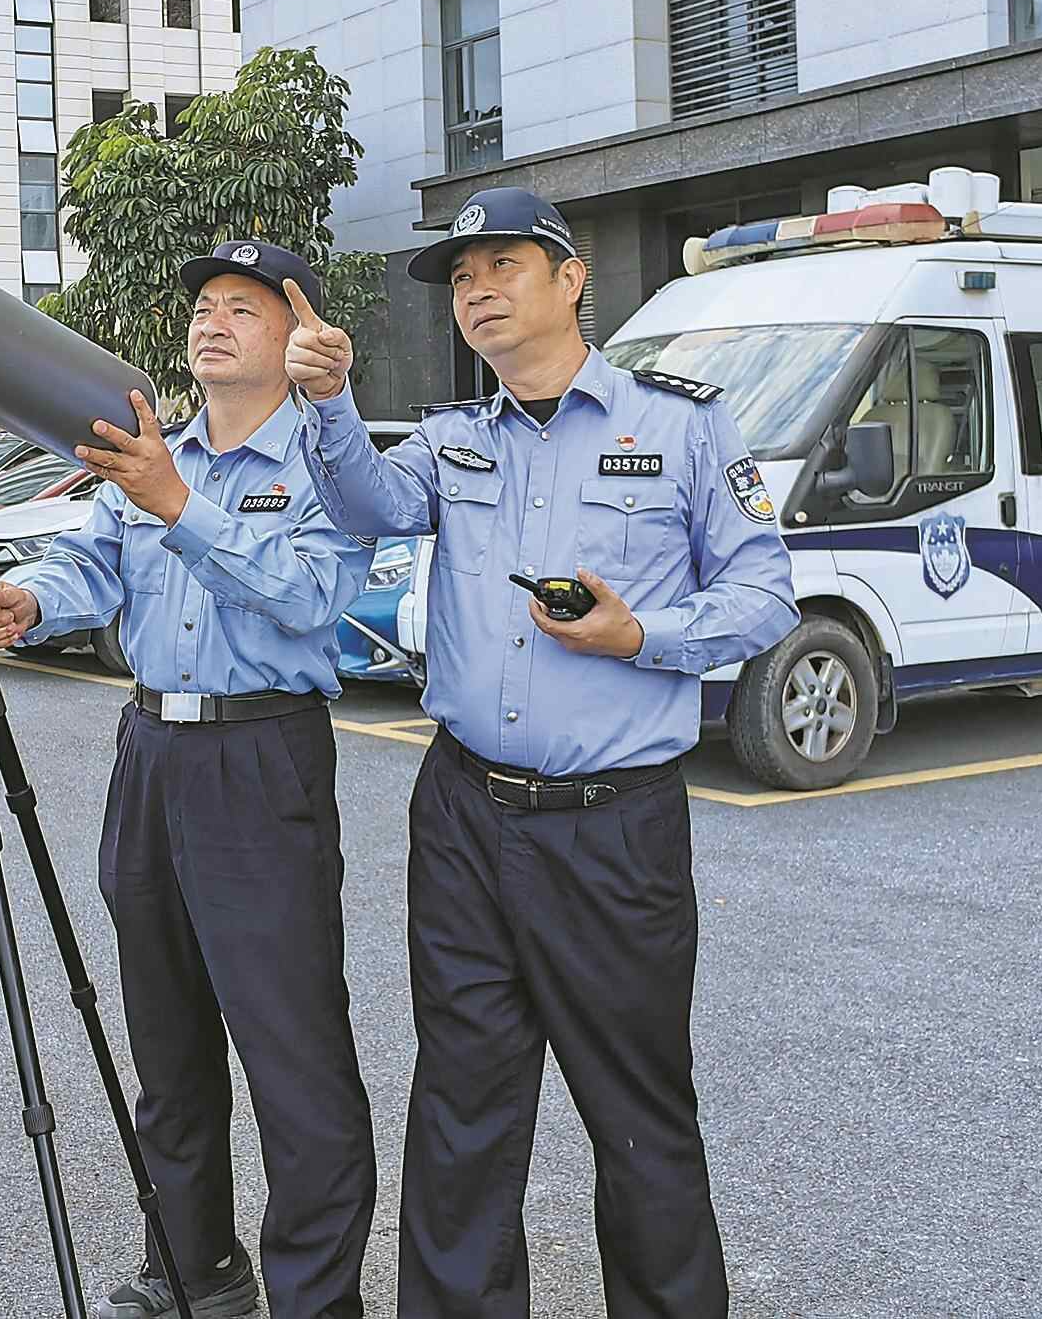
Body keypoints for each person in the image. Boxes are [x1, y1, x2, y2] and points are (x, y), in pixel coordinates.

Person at [284, 187, 798, 1318]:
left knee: (637, 1112)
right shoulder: (454, 438)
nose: (476, 291)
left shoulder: (680, 426)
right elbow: (370, 506)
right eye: (461, 278)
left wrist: (640, 634)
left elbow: (765, 594)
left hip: (613, 825)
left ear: (571, 278)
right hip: (463, 814)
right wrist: (328, 399)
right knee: (461, 1104)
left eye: (501, 265)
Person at [0, 241, 377, 1319]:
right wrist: (31, 598)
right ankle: (195, 1268)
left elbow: (305, 598)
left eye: (244, 307)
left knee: (292, 1052)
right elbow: (94, 559)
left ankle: (316, 1298)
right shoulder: (160, 450)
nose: (213, 321)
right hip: (150, 752)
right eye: (204, 305)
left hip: (262, 755)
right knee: (167, 1041)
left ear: (297, 335)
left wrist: (178, 504)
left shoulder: (328, 464)